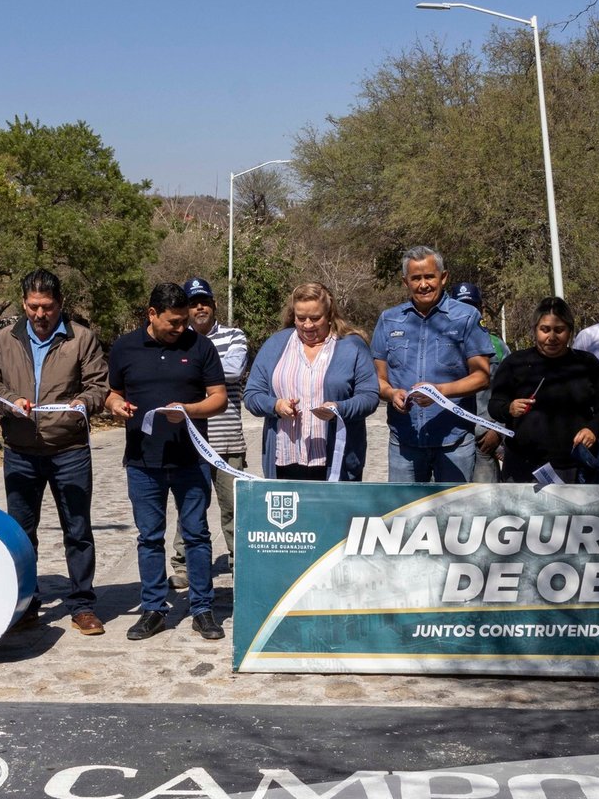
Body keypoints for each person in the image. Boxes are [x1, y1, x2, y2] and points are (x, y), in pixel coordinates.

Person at [0, 269, 110, 635]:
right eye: (33, 307)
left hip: (68, 450)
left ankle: (83, 604)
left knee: (78, 528)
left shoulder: (81, 338)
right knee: (22, 532)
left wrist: (82, 404)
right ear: (23, 303)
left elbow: (98, 385)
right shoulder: (4, 339)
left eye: (48, 307)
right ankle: (26, 602)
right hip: (20, 451)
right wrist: (10, 402)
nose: (40, 314)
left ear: (60, 304)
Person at [106, 282, 227, 642]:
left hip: (192, 460)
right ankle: (153, 609)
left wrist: (188, 410)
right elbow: (114, 392)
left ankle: (203, 608)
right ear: (152, 315)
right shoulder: (125, 347)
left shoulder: (200, 346)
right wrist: (114, 405)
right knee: (149, 537)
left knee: (197, 534)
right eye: (173, 322)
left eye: (184, 321)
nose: (181, 329)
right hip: (144, 462)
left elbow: (218, 398)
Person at [372, 247, 493, 482]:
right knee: (403, 515)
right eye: (416, 278)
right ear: (405, 281)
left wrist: (440, 393)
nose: (423, 284)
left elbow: (482, 376)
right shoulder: (388, 320)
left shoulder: (467, 317)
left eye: (429, 277)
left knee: (454, 516)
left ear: (443, 277)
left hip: (455, 442)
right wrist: (391, 393)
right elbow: (378, 379)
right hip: (404, 442)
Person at [243, 282, 379, 480]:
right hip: (284, 462)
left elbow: (369, 397)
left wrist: (338, 409)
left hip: (336, 464)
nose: (307, 325)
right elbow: (252, 394)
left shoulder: (352, 346)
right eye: (301, 318)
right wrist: (276, 405)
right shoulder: (275, 344)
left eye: (315, 318)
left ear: (330, 315)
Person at [168, 276, 248, 588]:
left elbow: (234, 369)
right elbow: (176, 378)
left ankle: (241, 564)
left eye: (204, 301)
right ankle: (184, 564)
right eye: (192, 303)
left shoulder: (235, 336)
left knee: (235, 510)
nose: (199, 307)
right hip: (190, 442)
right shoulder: (176, 339)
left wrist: (193, 370)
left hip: (229, 441)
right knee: (189, 508)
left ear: (214, 305)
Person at [489, 297, 599, 483]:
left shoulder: (587, 364)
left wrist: (593, 429)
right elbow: (495, 405)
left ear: (570, 331)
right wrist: (509, 408)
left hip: (575, 466)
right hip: (523, 467)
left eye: (559, 330)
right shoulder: (514, 363)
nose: (552, 337)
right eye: (545, 330)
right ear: (535, 330)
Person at [452, 282, 510, 484]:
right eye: (461, 307)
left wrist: (499, 431)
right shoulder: (439, 344)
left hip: (484, 443)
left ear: (481, 310)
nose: (468, 313)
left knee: (486, 505)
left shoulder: (498, 347)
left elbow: (511, 393)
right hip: (450, 443)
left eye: (472, 306)